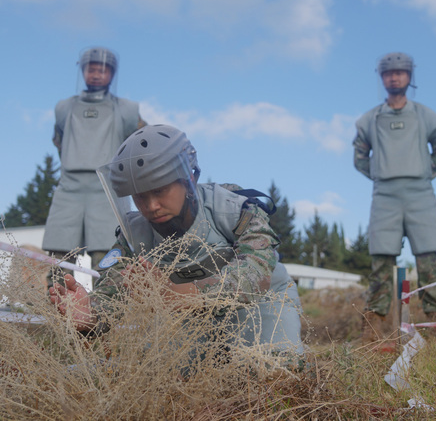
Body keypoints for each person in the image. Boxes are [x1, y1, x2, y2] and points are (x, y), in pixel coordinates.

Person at [49, 124, 303, 358]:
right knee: (167, 387)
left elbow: (256, 272)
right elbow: (114, 288)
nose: (151, 206)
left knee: (272, 375)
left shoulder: (235, 208)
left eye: (160, 191)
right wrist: (91, 315)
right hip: (189, 319)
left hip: (261, 306)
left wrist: (183, 293)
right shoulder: (134, 235)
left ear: (190, 178)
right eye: (140, 197)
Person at [353, 52, 436, 342]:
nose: (394, 77)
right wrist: (383, 175)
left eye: (400, 72)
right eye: (388, 73)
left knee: (429, 261)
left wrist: (422, 173)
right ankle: (373, 334)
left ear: (410, 76)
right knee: (381, 262)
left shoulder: (428, 116)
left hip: (421, 194)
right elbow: (359, 158)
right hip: (384, 195)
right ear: (382, 77)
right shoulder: (368, 120)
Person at [42, 47, 145, 272]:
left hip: (107, 191)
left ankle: (103, 307)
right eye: (91, 69)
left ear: (112, 74)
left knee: (109, 258)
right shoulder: (64, 108)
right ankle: (58, 304)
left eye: (103, 70)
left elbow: (141, 143)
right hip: (69, 189)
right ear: (83, 71)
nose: (97, 74)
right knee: (59, 257)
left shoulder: (127, 111)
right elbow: (59, 141)